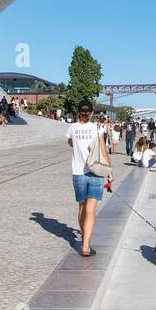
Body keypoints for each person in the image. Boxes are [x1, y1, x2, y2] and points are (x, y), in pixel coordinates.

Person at [67, 101, 110, 257]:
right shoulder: (97, 128)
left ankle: (83, 235)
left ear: (78, 112)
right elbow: (103, 151)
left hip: (78, 173)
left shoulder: (72, 128)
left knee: (81, 207)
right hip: (96, 172)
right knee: (91, 210)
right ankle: (86, 246)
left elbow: (70, 142)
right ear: (92, 113)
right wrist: (109, 171)